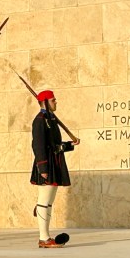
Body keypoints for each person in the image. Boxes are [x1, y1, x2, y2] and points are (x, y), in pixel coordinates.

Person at [31, 90, 79, 248]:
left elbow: (55, 145)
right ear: (45, 102)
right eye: (53, 100)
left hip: (55, 161)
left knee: (48, 201)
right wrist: (43, 168)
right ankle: (43, 238)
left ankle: (45, 235)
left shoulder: (50, 119)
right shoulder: (39, 121)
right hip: (47, 163)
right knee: (44, 201)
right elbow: (38, 146)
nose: (56, 102)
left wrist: (70, 145)